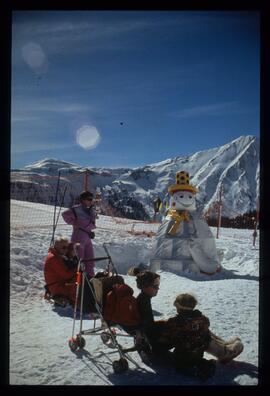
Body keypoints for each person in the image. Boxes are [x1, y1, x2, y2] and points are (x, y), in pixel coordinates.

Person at [153, 293, 244, 380]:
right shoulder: (202, 319)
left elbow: (165, 339)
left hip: (182, 357)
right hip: (198, 354)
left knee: (198, 333)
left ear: (178, 307)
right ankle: (223, 348)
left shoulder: (174, 322)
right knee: (202, 331)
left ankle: (225, 351)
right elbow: (202, 326)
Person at [62, 191, 96, 278]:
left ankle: (90, 280)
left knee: (90, 260)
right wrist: (75, 223)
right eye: (89, 199)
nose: (91, 201)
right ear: (83, 200)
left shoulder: (90, 209)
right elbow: (64, 214)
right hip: (79, 236)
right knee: (78, 261)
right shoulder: (76, 209)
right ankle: (77, 283)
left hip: (87, 236)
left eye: (92, 199)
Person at [44, 236, 78, 306]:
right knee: (79, 282)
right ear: (56, 247)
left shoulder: (57, 255)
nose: (66, 250)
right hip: (58, 287)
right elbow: (66, 275)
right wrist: (76, 269)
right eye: (63, 248)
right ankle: (76, 303)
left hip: (58, 283)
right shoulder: (53, 259)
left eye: (67, 248)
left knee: (79, 279)